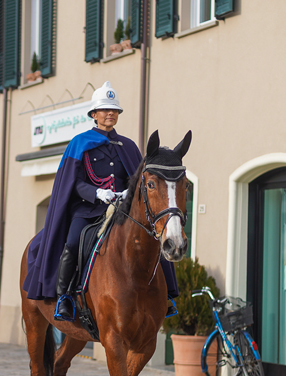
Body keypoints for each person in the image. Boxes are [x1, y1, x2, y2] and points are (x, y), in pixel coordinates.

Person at [22, 81, 178, 321]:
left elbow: (138, 181)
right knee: (73, 244)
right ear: (94, 115)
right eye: (105, 110)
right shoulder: (79, 143)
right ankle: (64, 297)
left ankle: (164, 295)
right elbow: (72, 182)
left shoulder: (127, 145)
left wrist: (129, 192)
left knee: (152, 240)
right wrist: (96, 193)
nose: (110, 114)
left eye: (114, 110)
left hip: (123, 211)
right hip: (87, 210)